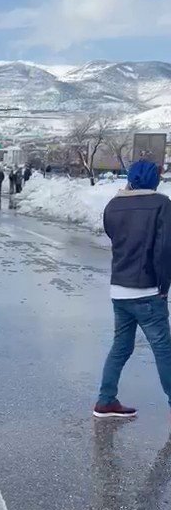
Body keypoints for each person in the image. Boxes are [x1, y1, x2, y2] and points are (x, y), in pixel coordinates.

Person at [94, 160, 171, 419]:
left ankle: (105, 401)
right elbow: (164, 249)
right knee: (163, 350)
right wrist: (163, 285)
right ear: (154, 179)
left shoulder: (113, 205)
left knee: (121, 347)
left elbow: (114, 237)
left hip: (120, 289)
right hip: (148, 290)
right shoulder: (161, 205)